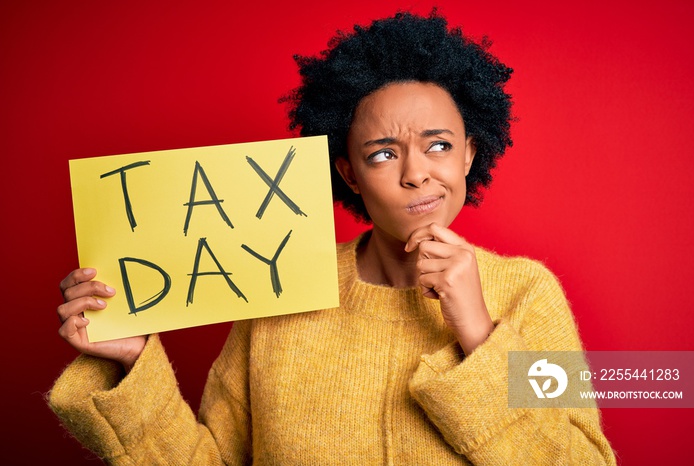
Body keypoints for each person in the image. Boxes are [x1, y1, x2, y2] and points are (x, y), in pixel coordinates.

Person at [49, 11, 617, 465]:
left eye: (439, 145)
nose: (417, 173)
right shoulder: (282, 292)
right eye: (383, 154)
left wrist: (478, 333)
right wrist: (132, 362)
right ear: (349, 173)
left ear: (470, 152)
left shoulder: (527, 293)